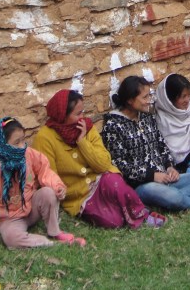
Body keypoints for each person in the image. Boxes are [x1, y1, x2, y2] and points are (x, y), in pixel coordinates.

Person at [32, 89, 165, 229]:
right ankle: (126, 213)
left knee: (115, 183)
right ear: (62, 116)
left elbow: (103, 164)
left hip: (101, 179)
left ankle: (143, 215)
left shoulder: (86, 128)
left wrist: (82, 142)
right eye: (77, 114)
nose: (82, 117)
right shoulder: (44, 138)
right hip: (79, 197)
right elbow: (49, 176)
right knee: (114, 222)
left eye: (82, 112)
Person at [101, 75, 190, 211]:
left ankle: (166, 203)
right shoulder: (113, 125)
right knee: (167, 194)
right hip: (143, 186)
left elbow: (162, 147)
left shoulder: (147, 118)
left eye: (149, 96)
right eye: (145, 97)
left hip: (166, 179)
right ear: (130, 100)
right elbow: (118, 164)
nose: (149, 101)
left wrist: (170, 167)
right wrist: (152, 176)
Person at [0, 116, 86, 248]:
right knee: (12, 238)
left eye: (23, 140)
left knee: (48, 193)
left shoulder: (27, 154)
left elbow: (44, 169)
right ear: (2, 144)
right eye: (16, 142)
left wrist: (57, 186)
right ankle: (51, 244)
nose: (22, 146)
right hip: (9, 219)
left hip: (31, 208)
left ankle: (55, 232)